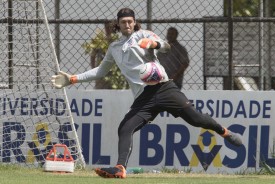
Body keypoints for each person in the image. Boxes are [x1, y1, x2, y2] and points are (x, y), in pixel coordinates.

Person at [51, 7, 242, 179]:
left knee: (196, 119)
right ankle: (120, 168)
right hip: (144, 98)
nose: (127, 24)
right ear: (117, 24)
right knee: (125, 127)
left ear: (134, 23)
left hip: (164, 88)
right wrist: (73, 79)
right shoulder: (114, 48)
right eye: (123, 21)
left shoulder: (144, 34)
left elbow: (166, 47)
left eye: (130, 21)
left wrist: (153, 45)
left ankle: (224, 132)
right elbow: (100, 71)